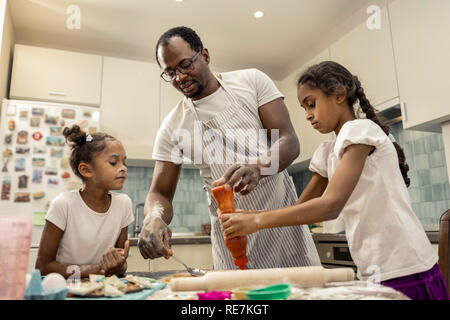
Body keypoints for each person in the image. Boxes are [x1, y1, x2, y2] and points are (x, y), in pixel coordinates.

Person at [220, 61, 449, 300]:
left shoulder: (360, 130)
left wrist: (257, 220)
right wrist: (250, 216)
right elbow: (300, 211)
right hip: (375, 267)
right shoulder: (329, 150)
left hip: (406, 265)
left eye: (311, 104)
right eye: (303, 108)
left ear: (339, 95)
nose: (308, 115)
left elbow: (331, 205)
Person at [137, 26, 321, 269]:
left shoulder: (252, 82)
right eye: (170, 73)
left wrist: (258, 167)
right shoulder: (173, 126)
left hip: (281, 227)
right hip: (230, 238)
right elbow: (160, 192)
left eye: (185, 65)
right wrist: (154, 216)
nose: (180, 77)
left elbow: (289, 141)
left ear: (205, 55)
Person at [35, 125, 134, 278]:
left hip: (104, 290)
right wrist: (98, 268)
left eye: (124, 162)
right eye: (114, 162)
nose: (123, 168)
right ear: (86, 170)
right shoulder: (63, 205)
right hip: (67, 291)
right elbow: (43, 267)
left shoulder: (123, 204)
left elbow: (120, 265)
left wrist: (119, 265)